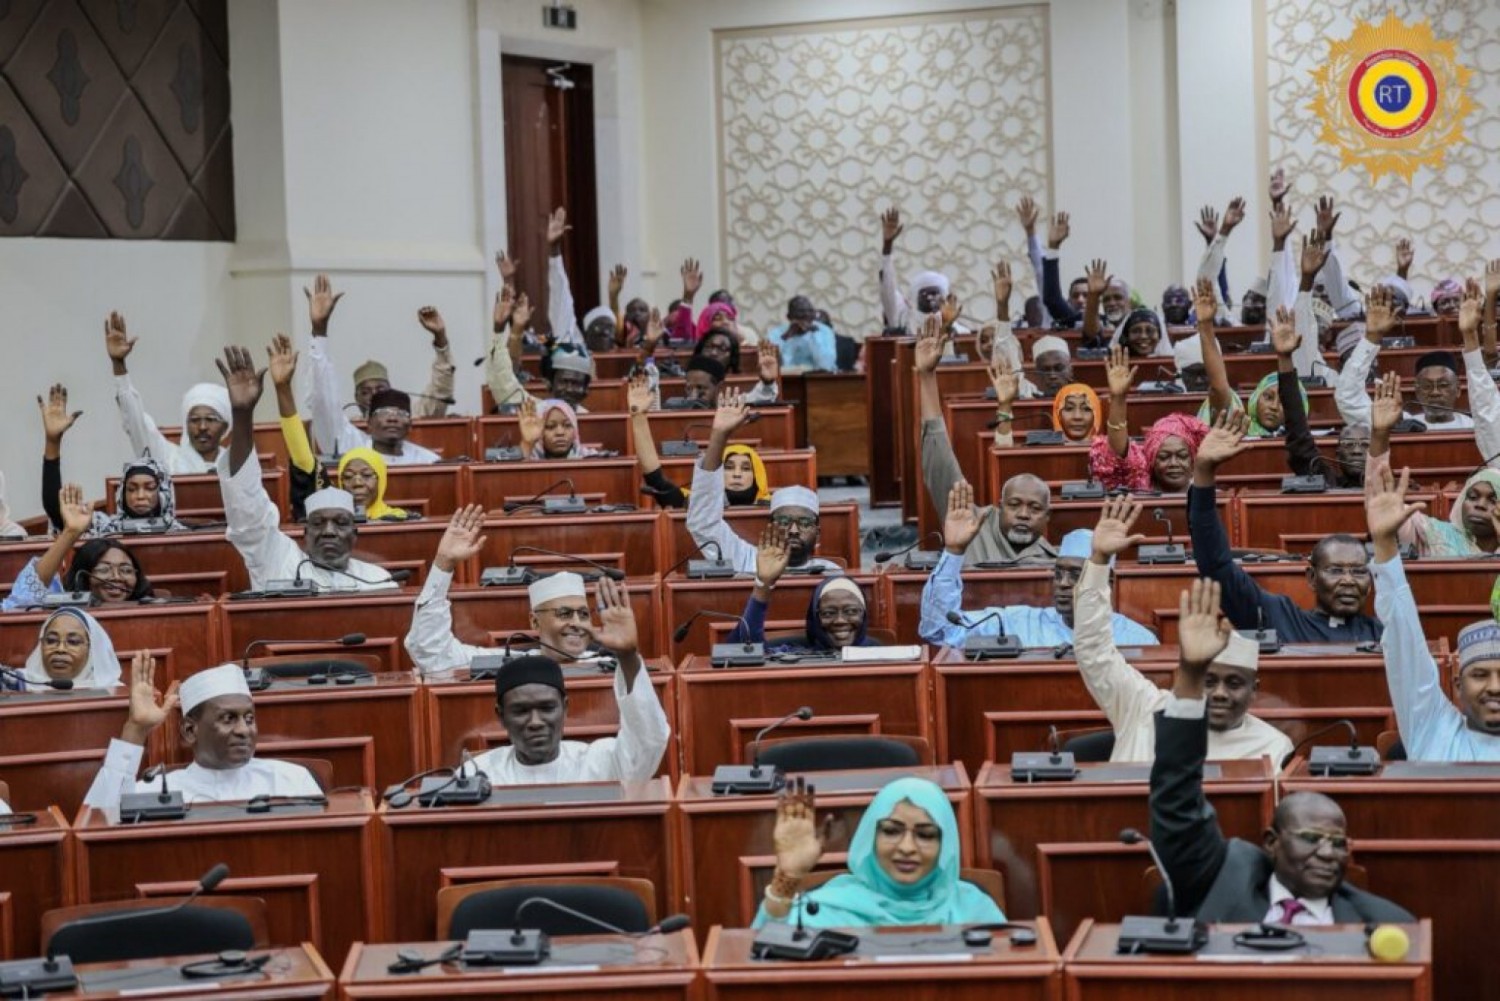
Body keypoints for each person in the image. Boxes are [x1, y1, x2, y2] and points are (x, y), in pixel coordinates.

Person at [1150, 577, 1414, 924]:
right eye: (1310, 838)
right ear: (1272, 843)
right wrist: (1191, 674)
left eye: (1337, 844)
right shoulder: (1221, 881)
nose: (1326, 853)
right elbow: (1176, 799)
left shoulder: (1384, 923)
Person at [1073, 497, 1290, 762]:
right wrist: (1099, 560)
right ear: (1188, 677)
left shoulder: (1273, 747)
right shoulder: (1142, 706)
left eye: (1234, 683)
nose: (1220, 694)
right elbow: (1092, 649)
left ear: (1254, 690)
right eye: (1208, 681)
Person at [1188, 410, 1383, 641]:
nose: (1348, 581)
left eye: (1359, 571)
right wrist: (1203, 472)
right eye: (1336, 570)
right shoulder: (1279, 618)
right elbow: (1215, 565)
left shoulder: (1384, 635)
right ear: (1312, 577)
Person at [217, 345, 397, 593]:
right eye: (318, 523)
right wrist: (242, 414)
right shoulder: (279, 561)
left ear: (355, 535)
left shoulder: (379, 581)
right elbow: (246, 507)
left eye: (341, 523)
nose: (329, 532)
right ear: (304, 532)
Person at [1365, 461, 1500, 759]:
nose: (1494, 687)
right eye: (1479, 674)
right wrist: (1384, 544)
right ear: (1457, 685)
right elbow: (1403, 638)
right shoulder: (1432, 726)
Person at [921, 481, 1157, 648]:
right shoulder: (1016, 624)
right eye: (1058, 573)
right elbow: (939, 631)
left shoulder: (1137, 640)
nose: (1063, 584)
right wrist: (953, 552)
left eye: (1076, 575)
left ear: (1108, 582)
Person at [755, 775, 1004, 928]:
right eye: (891, 831)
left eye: (925, 835)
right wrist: (785, 878)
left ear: (945, 846)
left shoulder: (974, 909)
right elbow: (761, 959)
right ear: (870, 839)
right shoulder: (827, 909)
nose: (906, 848)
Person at [405, 506, 627, 672]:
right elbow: (431, 653)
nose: (577, 623)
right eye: (565, 613)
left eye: (584, 614)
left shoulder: (611, 663)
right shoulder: (510, 663)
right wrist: (444, 563)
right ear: (534, 621)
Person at [83, 658, 324, 810]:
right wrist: (135, 730)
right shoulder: (157, 793)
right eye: (228, 719)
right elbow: (97, 820)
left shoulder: (292, 780)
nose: (243, 730)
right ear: (190, 730)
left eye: (249, 718)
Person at [915, 316, 1057, 565]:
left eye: (1034, 509)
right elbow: (938, 460)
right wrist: (927, 376)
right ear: (999, 507)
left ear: (1047, 517)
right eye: (1014, 505)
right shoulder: (972, 525)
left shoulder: (1054, 563)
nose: (1023, 515)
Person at [467, 630, 669, 784]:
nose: (535, 722)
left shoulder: (598, 763)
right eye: (521, 711)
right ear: (501, 716)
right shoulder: (478, 775)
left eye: (547, 708)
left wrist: (627, 656)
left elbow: (649, 741)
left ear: (565, 708)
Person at [688, 391, 839, 573]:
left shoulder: (831, 573)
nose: (793, 530)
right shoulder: (745, 559)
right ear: (769, 527)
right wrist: (719, 435)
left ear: (818, 534)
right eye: (783, 521)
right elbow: (703, 522)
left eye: (805, 523)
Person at [302, 274, 441, 464]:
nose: (392, 418)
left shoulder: (429, 462)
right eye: (383, 412)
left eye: (401, 414)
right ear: (368, 423)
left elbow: (441, 388)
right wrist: (319, 331)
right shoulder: (350, 444)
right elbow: (323, 400)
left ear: (411, 425)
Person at [1366, 372, 1499, 556]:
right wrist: (1380, 434)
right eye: (1473, 497)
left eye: (1493, 500)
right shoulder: (1432, 535)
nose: (1480, 505)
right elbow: (1377, 499)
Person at [39, 384, 186, 535]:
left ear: (164, 492)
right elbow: (56, 511)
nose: (140, 496)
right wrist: (53, 442)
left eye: (149, 487)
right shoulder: (104, 528)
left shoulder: (183, 535)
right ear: (122, 494)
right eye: (131, 489)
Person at [105, 311, 230, 474]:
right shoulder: (167, 458)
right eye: (194, 420)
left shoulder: (234, 464)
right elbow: (137, 424)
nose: (202, 427)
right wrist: (119, 365)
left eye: (211, 419)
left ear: (226, 426)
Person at [728, 524, 877, 655]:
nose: (840, 620)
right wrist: (764, 585)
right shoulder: (793, 655)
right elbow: (741, 651)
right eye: (828, 613)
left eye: (851, 611)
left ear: (864, 614)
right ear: (815, 619)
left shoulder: (882, 654)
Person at [626, 374, 770, 509]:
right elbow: (656, 481)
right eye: (729, 467)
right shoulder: (696, 504)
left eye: (745, 469)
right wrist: (638, 417)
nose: (737, 474)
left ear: (758, 476)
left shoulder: (774, 507)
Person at [4, 484, 155, 611]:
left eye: (126, 570)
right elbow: (24, 599)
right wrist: (71, 532)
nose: (116, 577)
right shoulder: (66, 615)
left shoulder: (152, 610)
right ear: (83, 576)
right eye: (104, 569)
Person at [1271, 307, 1368, 488]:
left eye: (1364, 446)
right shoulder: (1326, 482)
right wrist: (1285, 358)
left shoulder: (1393, 487)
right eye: (1349, 445)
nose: (1356, 451)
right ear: (1337, 455)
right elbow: (1299, 438)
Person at [1090, 348, 1210, 492]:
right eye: (1164, 457)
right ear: (1152, 462)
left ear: (1192, 461)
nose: (1174, 463)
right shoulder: (1141, 487)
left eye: (1182, 456)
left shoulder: (1209, 495)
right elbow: (1118, 455)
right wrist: (1118, 398)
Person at [340, 305, 455, 418]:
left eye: (380, 389)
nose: (374, 395)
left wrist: (440, 337)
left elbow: (440, 392)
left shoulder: (406, 419)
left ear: (390, 391)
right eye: (366, 392)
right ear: (356, 398)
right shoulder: (350, 429)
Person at [878, 207, 963, 337]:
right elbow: (887, 290)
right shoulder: (903, 318)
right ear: (915, 297)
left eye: (934, 293)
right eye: (925, 293)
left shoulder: (959, 331)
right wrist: (887, 247)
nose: (930, 298)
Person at [2, 608, 122, 691]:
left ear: (91, 650)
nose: (60, 649)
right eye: (51, 640)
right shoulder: (15, 682)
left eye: (73, 642)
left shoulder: (113, 690)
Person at [766, 296, 837, 372]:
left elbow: (826, 365)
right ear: (789, 316)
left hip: (816, 379)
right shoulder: (776, 333)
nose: (806, 314)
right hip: (786, 379)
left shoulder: (824, 331)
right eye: (801, 311)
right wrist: (786, 336)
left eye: (810, 311)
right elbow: (768, 363)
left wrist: (815, 334)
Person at [518, 397, 601, 460]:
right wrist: (528, 444)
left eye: (567, 425)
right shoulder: (529, 458)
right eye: (550, 427)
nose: (560, 432)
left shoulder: (592, 458)